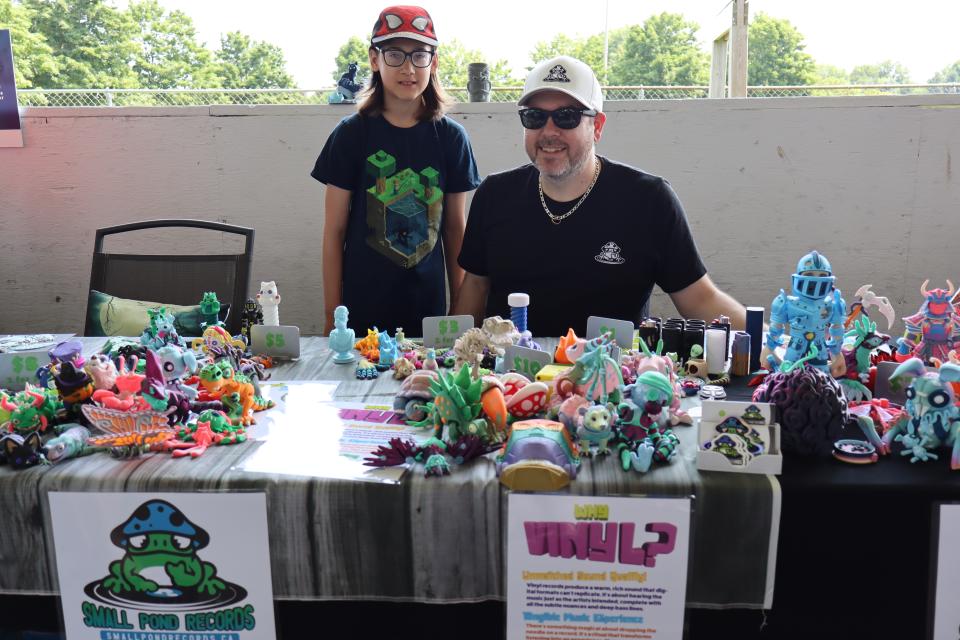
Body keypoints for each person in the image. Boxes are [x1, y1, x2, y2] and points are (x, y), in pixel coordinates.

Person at [454, 55, 745, 337]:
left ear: (598, 126)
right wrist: (448, 359)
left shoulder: (649, 200)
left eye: (566, 117)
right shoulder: (494, 195)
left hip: (610, 378)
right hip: (512, 379)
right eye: (535, 117)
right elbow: (474, 290)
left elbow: (700, 298)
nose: (548, 131)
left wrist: (768, 340)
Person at [312, 5, 481, 335]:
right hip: (362, 314)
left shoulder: (451, 138)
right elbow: (334, 232)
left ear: (434, 62)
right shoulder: (350, 135)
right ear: (374, 60)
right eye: (395, 55)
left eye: (419, 55)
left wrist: (459, 311)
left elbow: (454, 231)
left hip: (428, 313)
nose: (408, 68)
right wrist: (333, 317)